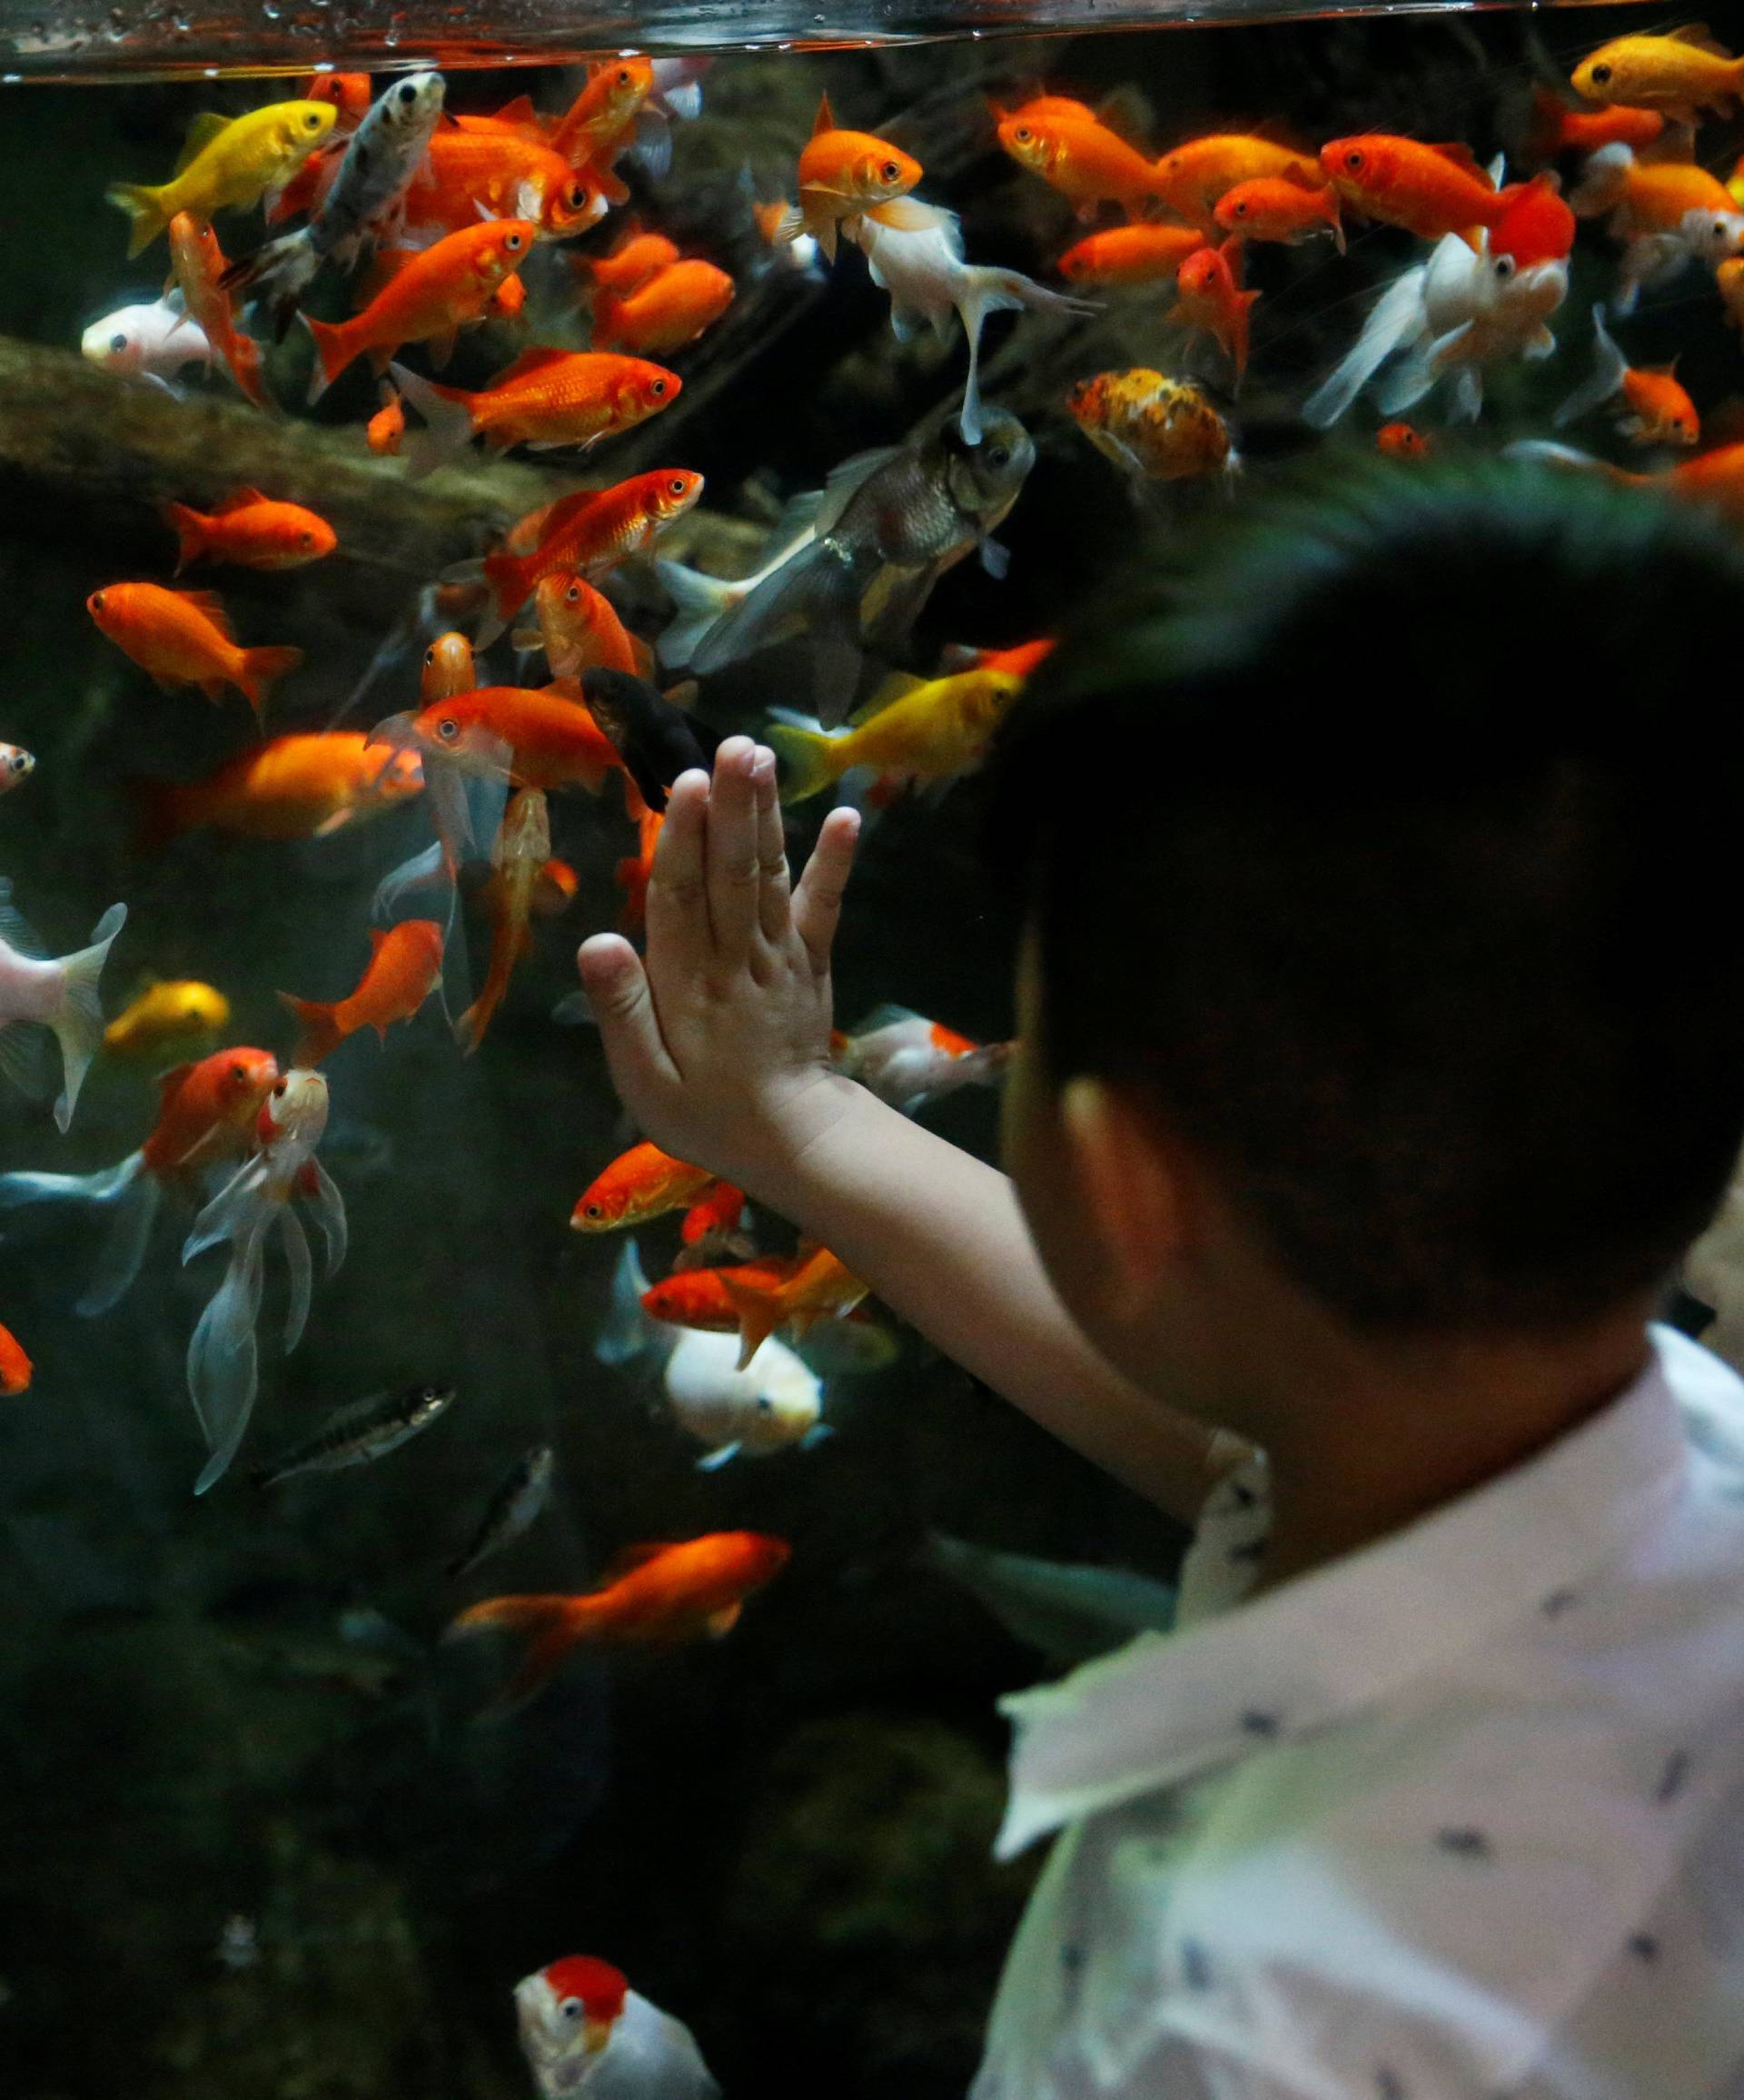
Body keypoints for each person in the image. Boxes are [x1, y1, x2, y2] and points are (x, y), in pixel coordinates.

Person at [574, 462, 1744, 2099]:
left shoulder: (1229, 2027)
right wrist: (800, 1119)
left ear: (1121, 1184)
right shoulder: (1666, 1450)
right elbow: (1257, 1447)